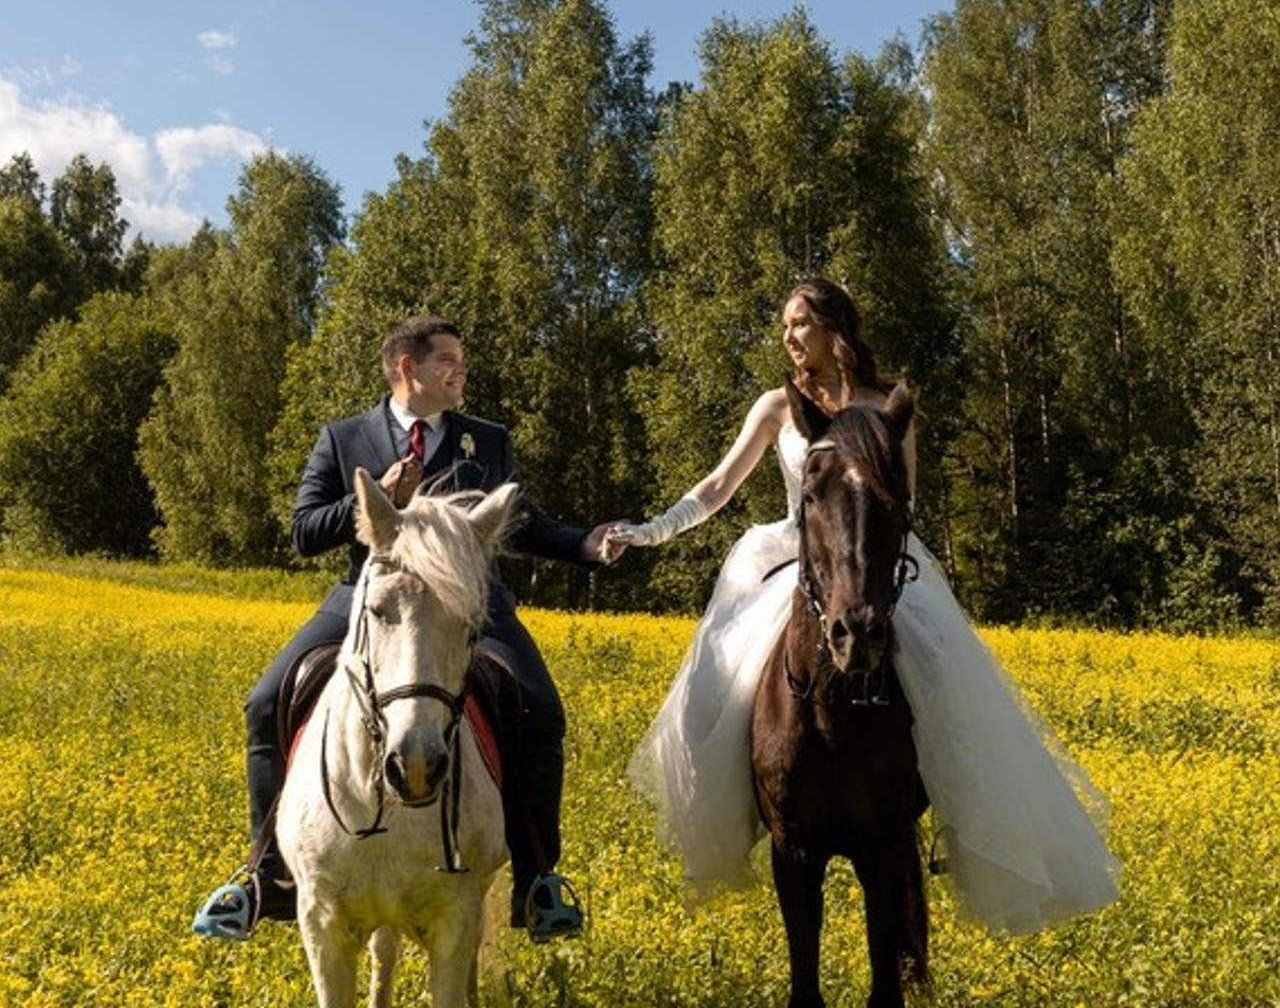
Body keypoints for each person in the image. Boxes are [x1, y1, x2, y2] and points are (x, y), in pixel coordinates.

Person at [604, 276, 1120, 935]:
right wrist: (648, 531)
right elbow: (716, 489)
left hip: (870, 562)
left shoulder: (885, 404)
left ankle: (946, 817)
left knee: (949, 687)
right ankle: (740, 808)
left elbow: (901, 503)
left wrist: (867, 569)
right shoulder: (774, 407)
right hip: (791, 561)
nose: (788, 337)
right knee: (719, 680)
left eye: (799, 323)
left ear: (832, 326)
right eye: (785, 326)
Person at [193, 313, 613, 942]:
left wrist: (584, 544)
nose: (462, 371)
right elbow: (304, 530)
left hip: (471, 604)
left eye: (463, 361)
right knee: (264, 702)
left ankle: (537, 881)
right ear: (406, 368)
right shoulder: (343, 438)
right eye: (449, 360)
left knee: (542, 710)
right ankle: (265, 876)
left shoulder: (485, 441)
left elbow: (518, 525)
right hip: (369, 601)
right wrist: (372, 498)